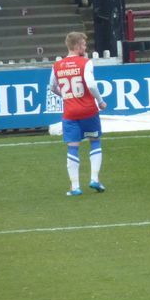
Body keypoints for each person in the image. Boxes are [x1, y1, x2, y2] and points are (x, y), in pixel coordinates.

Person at [48, 32, 107, 196]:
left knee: (72, 147)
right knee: (94, 141)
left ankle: (75, 187)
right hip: (88, 110)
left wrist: (67, 96)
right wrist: (100, 101)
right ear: (77, 46)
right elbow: (91, 84)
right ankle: (94, 179)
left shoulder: (57, 65)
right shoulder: (85, 63)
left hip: (70, 112)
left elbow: (52, 87)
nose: (85, 47)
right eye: (83, 44)